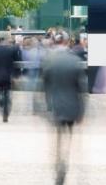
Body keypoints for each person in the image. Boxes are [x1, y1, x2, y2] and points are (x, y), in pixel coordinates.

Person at [42, 46, 87, 185]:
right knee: (69, 136)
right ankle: (65, 159)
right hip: (72, 107)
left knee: (58, 137)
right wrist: (82, 112)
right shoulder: (75, 62)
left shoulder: (50, 63)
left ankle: (59, 164)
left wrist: (45, 105)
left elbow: (45, 86)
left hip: (56, 106)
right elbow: (82, 89)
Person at [0, 38, 21, 122]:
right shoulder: (11, 51)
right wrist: (15, 76)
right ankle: (5, 113)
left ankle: (0, 102)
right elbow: (16, 64)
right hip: (7, 77)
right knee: (7, 95)